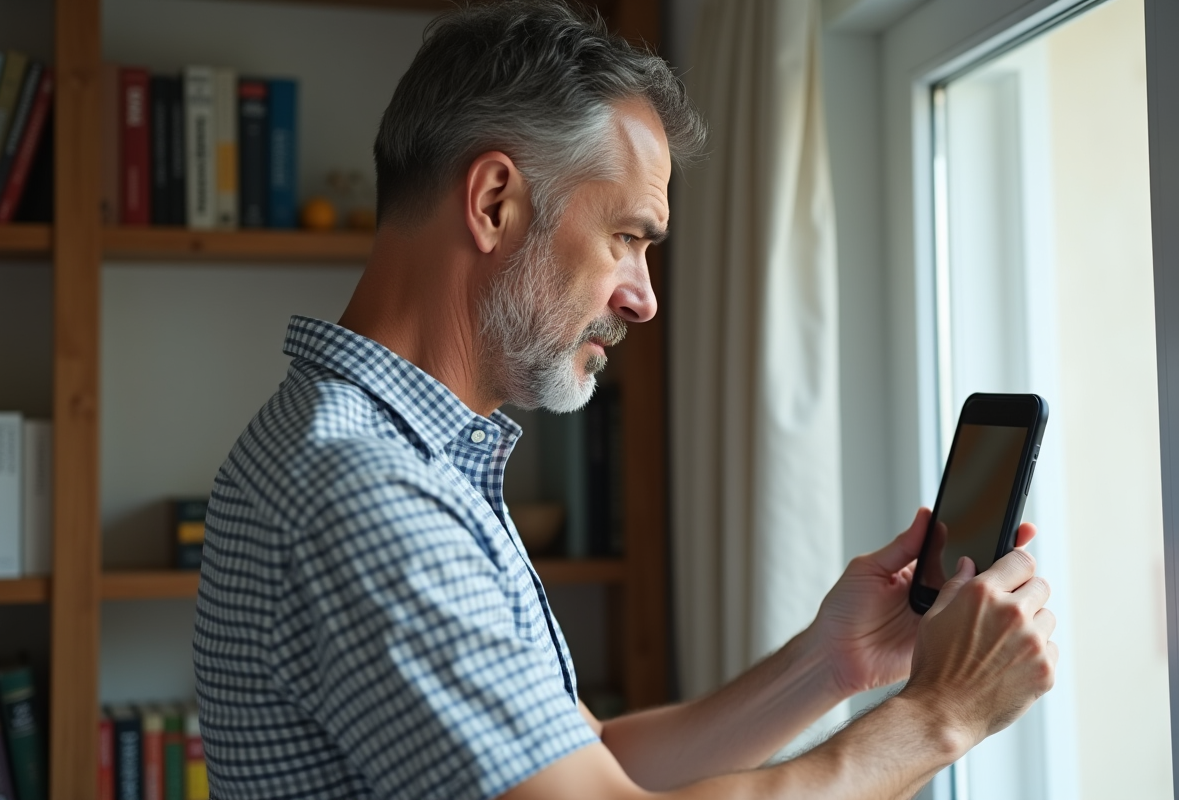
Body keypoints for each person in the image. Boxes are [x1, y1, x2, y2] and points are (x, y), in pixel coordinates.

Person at [192, 2, 1058, 798]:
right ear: (495, 203)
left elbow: (590, 759)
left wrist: (832, 664)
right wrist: (945, 716)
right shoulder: (367, 492)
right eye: (626, 239)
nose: (643, 298)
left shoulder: (379, 454)